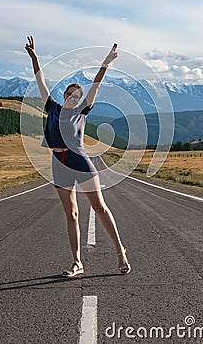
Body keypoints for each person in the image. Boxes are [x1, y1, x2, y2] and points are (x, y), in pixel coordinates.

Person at [25, 36, 131, 277]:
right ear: (64, 95)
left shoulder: (83, 110)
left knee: (99, 207)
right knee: (71, 214)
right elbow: (40, 80)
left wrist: (106, 62)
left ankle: (120, 251)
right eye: (70, 94)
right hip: (58, 163)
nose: (73, 98)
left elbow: (96, 83)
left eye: (77, 95)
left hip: (80, 162)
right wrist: (35, 58)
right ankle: (76, 262)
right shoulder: (51, 107)